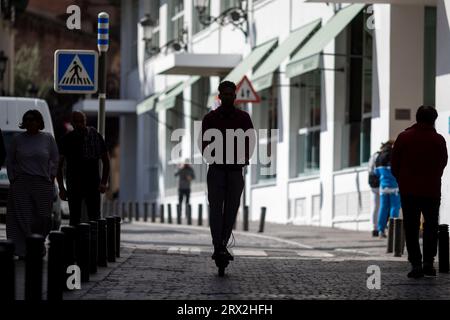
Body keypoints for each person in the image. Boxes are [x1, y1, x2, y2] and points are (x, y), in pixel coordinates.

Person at [201, 81, 256, 261]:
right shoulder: (210, 119)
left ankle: (223, 243)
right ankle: (218, 245)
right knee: (216, 209)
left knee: (232, 209)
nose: (226, 97)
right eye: (223, 94)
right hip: (216, 170)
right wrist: (212, 157)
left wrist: (243, 158)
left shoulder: (243, 118)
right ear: (219, 96)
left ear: (234, 96)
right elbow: (204, 144)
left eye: (229, 94)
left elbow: (251, 141)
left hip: (235, 171)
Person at [391, 106, 448, 278]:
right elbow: (443, 162)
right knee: (431, 226)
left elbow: (395, 164)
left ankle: (416, 264)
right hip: (431, 190)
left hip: (409, 190)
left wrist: (403, 180)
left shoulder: (404, 137)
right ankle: (429, 263)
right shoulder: (438, 140)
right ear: (433, 120)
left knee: (411, 226)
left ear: (417, 118)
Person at [6, 110, 59, 258]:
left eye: (33, 120)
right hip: (22, 182)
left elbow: (55, 160)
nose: (30, 122)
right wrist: (13, 179)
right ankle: (24, 250)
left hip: (42, 182)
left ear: (39, 122)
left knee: (43, 218)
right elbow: (10, 161)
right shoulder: (18, 139)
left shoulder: (48, 139)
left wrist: (51, 178)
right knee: (23, 217)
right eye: (27, 120)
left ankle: (38, 242)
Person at [57, 111, 110, 226]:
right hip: (74, 184)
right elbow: (58, 165)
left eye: (82, 121)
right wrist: (61, 188)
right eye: (76, 121)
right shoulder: (67, 139)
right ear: (72, 123)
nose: (80, 124)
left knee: (95, 217)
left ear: (85, 121)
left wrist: (104, 182)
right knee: (74, 218)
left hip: (92, 183)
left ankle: (95, 242)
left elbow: (106, 161)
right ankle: (74, 243)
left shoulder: (95, 136)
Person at [374, 140, 401, 238]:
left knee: (383, 208)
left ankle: (381, 230)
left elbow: (376, 172)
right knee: (394, 207)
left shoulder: (379, 157)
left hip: (383, 187)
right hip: (395, 187)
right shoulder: (395, 155)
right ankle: (393, 229)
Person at [368, 146, 381, 237]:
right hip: (383, 184)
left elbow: (369, 170)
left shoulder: (374, 156)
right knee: (383, 207)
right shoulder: (383, 157)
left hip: (373, 184)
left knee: (375, 207)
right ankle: (381, 228)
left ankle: (374, 228)